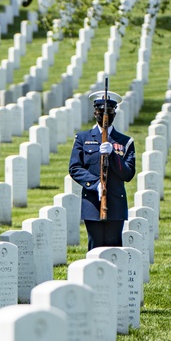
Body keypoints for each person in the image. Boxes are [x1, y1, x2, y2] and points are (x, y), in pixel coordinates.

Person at [68, 91, 136, 249]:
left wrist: (113, 155)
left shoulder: (125, 142)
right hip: (92, 203)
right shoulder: (83, 138)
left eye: (109, 111)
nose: (104, 115)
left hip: (116, 203)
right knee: (95, 248)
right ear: (94, 112)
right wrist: (96, 184)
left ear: (115, 113)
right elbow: (75, 167)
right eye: (100, 111)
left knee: (114, 249)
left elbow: (128, 174)